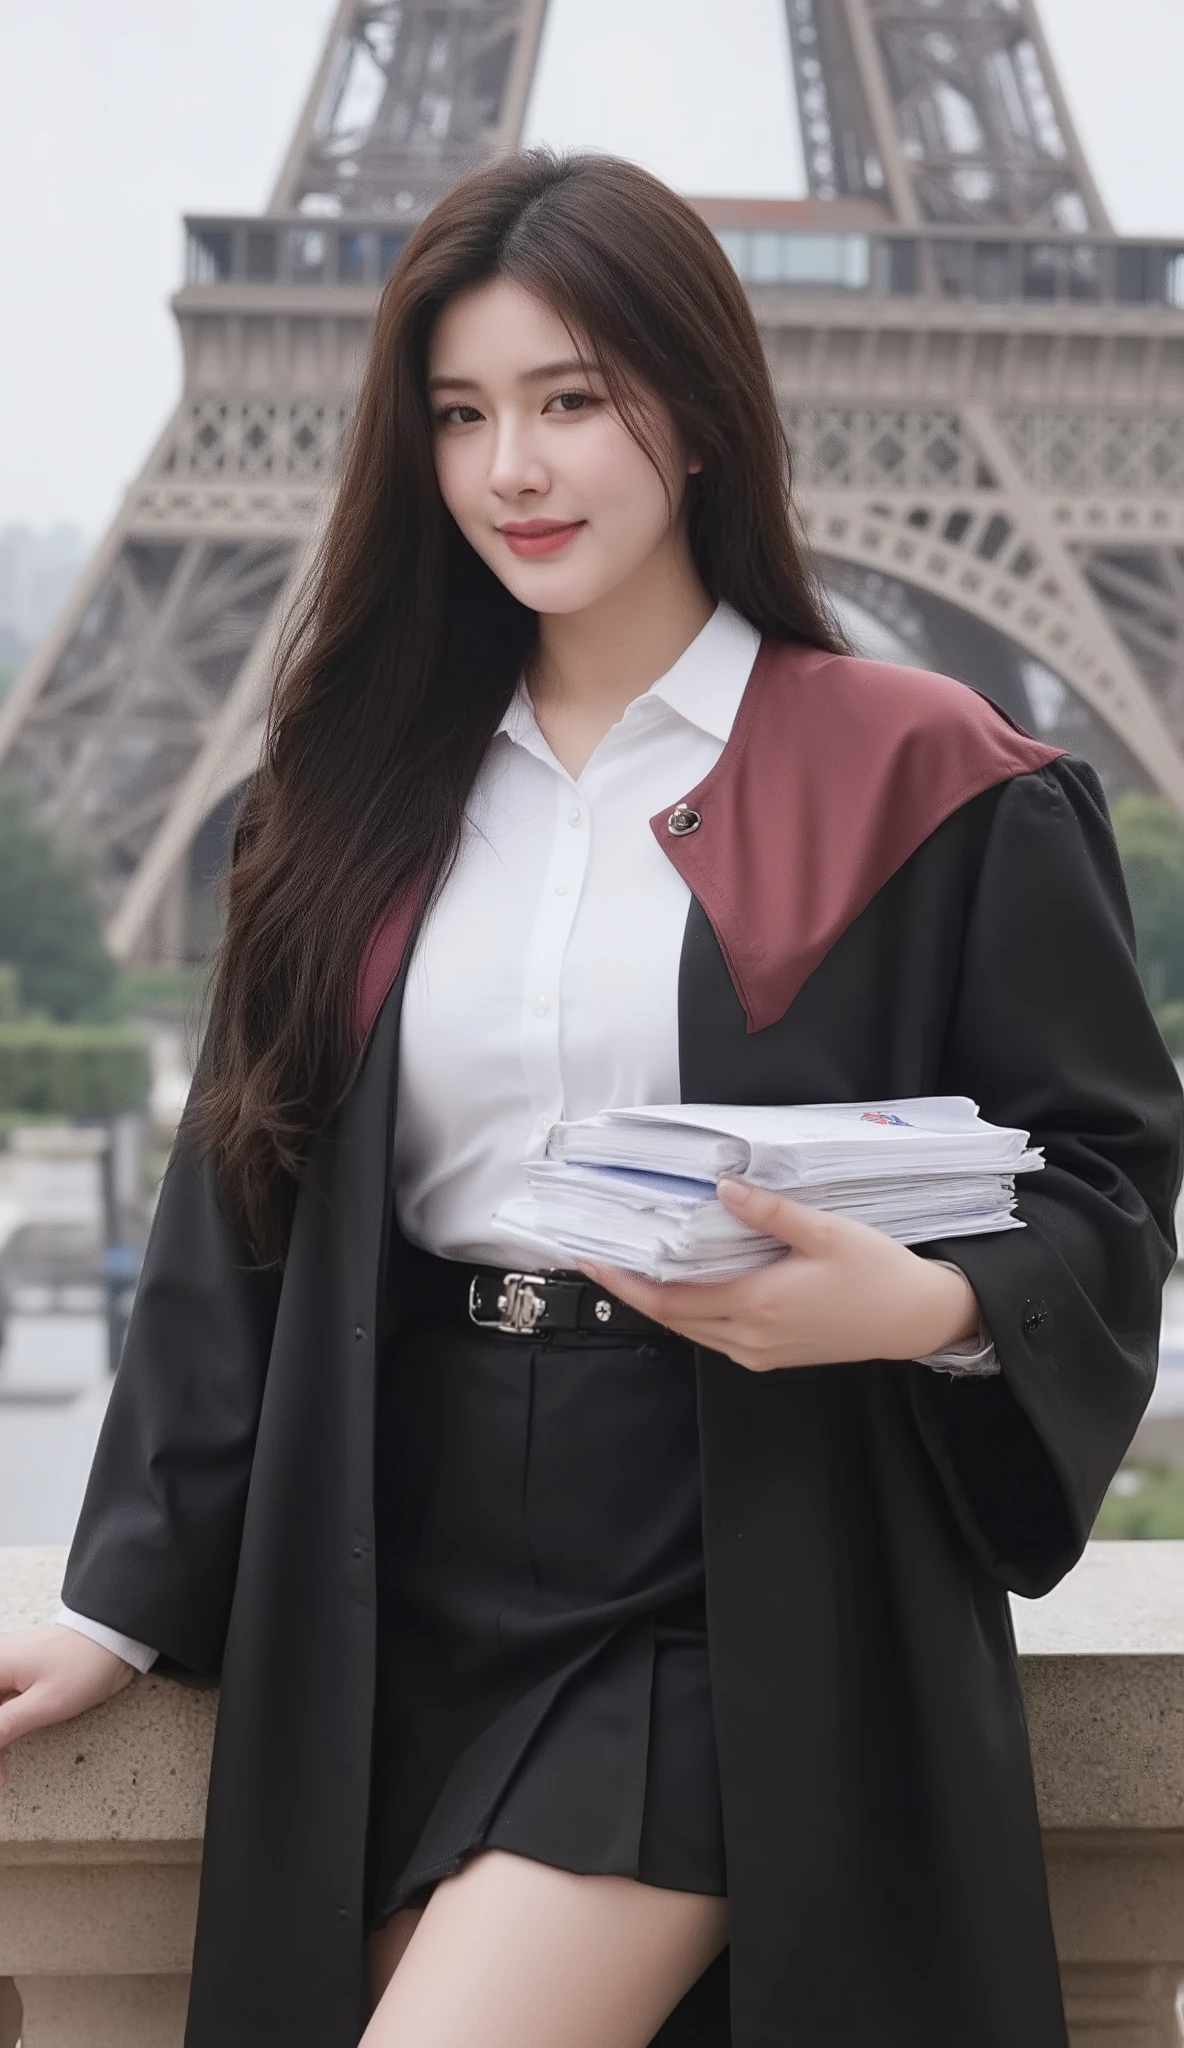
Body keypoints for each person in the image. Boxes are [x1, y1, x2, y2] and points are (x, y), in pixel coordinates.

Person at [0, 149, 1179, 2048]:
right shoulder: (350, 790)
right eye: (461, 415)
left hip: (724, 1561)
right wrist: (121, 1604)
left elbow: (1108, 1184)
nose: (510, 471)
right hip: (391, 1548)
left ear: (699, 415)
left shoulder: (932, 783)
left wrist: (929, 1301)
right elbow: (244, 1211)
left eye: (570, 401)